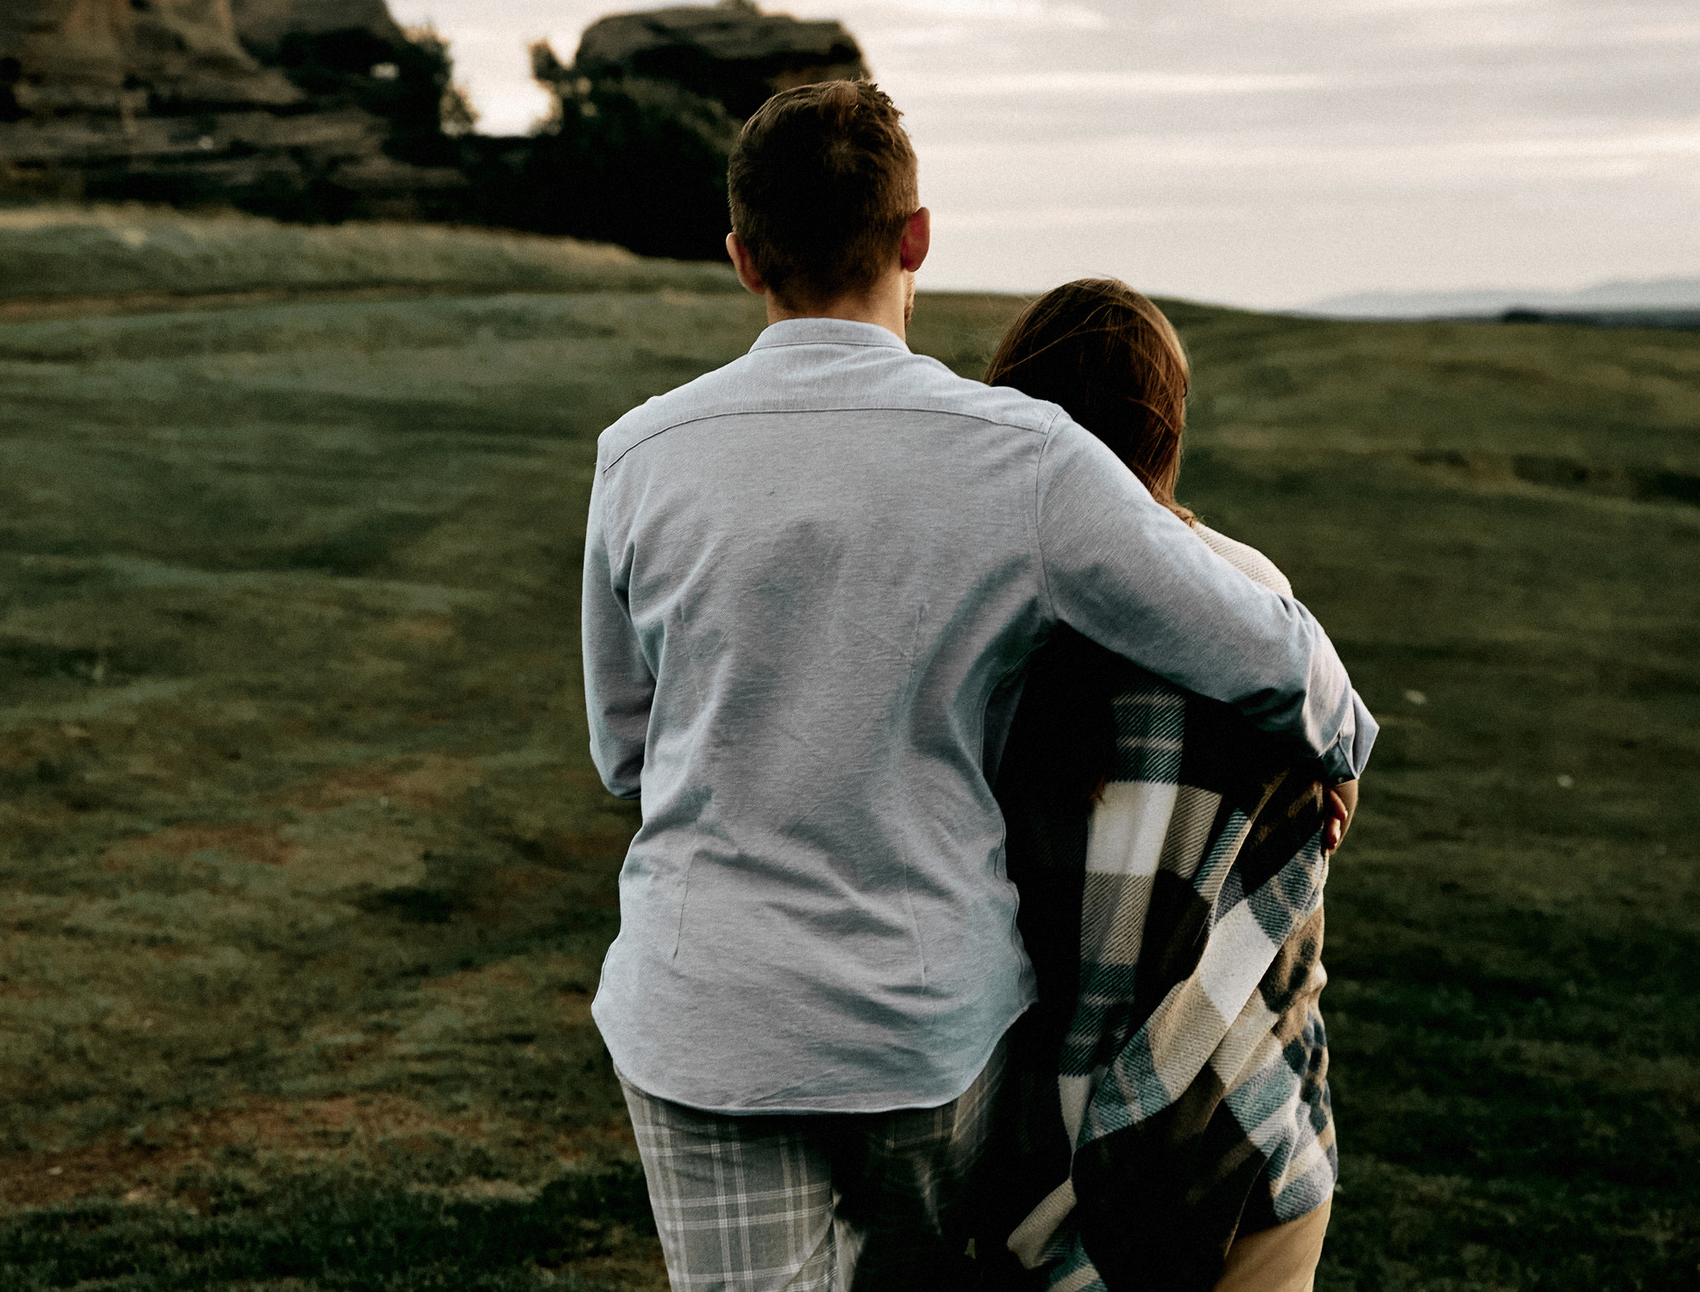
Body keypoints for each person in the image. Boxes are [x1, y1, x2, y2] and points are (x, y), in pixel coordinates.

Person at [581, 80, 1377, 1291]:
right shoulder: (1021, 453)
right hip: (925, 1022)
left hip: (703, 1010)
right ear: (915, 237)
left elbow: (625, 755)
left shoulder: (638, 455)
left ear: (742, 257)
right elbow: (1257, 641)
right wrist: (1337, 739)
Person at [985, 280, 1355, 1292]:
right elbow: (1294, 858)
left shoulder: (982, 630)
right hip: (1245, 1120)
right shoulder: (1258, 611)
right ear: (1168, 430)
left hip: (1030, 1161)